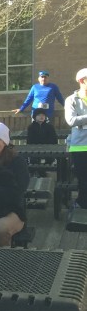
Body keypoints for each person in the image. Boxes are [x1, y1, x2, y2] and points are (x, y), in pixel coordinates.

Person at [64, 68, 87, 208]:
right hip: (80, 146)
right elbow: (71, 120)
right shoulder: (71, 100)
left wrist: (82, 120)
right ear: (81, 81)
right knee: (83, 179)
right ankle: (81, 204)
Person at [26, 110, 59, 176]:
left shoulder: (50, 127)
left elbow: (53, 139)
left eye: (43, 115)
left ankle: (43, 172)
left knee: (50, 159)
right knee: (33, 160)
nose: (41, 117)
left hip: (48, 149)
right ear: (35, 117)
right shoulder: (31, 127)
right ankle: (36, 173)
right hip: (34, 149)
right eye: (39, 115)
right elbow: (30, 140)